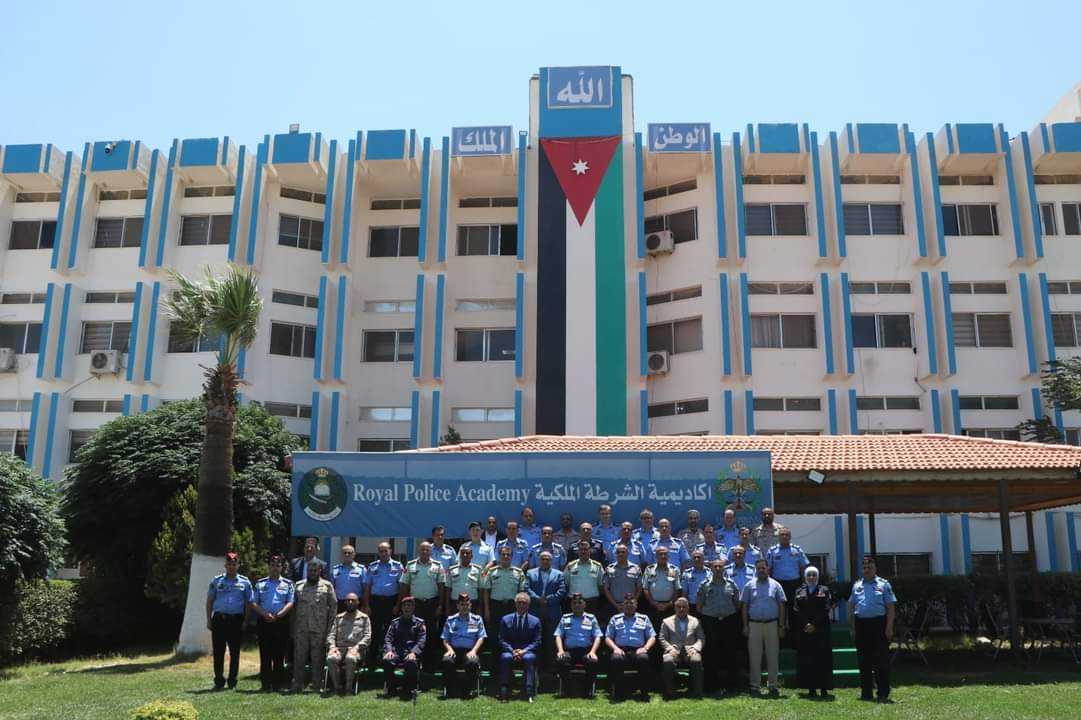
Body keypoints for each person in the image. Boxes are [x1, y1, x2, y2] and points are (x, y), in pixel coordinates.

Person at [849, 555, 896, 703]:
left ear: (875, 568)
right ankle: (866, 693)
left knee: (881, 660)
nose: (867, 570)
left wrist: (889, 627)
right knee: (864, 661)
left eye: (870, 567)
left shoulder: (884, 585)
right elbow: (852, 606)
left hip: (879, 625)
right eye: (864, 568)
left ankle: (883, 692)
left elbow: (890, 607)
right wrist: (853, 628)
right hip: (861, 625)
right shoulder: (856, 586)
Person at [205, 552, 253, 690]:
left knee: (235, 652)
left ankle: (232, 681)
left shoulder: (245, 582)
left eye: (234, 564)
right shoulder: (217, 581)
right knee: (218, 652)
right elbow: (209, 601)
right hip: (219, 619)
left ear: (238, 565)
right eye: (229, 564)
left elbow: (249, 603)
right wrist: (209, 620)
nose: (232, 566)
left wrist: (246, 621)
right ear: (225, 565)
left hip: (236, 620)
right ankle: (219, 680)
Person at [741, 558, 786, 697]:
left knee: (773, 656)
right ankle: (755, 686)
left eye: (763, 568)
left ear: (768, 569)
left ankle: (773, 686)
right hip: (754, 625)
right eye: (759, 568)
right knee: (754, 657)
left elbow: (782, 605)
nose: (761, 570)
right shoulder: (749, 585)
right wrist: (745, 625)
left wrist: (781, 626)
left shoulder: (776, 585)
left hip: (772, 624)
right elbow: (744, 606)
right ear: (756, 570)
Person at [291, 559, 336, 693]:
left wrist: (330, 627)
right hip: (301, 628)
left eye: (315, 570)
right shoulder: (298, 585)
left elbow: (333, 607)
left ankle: (316, 685)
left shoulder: (327, 586)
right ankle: (297, 684)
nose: (312, 572)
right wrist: (292, 627)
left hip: (319, 629)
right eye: (310, 570)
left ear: (320, 571)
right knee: (299, 658)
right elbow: (293, 608)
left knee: (318, 659)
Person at [251, 554, 294, 691]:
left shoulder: (288, 584)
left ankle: (277, 684)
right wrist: (265, 614)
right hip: (264, 622)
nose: (275, 568)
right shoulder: (260, 583)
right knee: (265, 654)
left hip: (281, 622)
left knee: (279, 655)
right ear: (268, 567)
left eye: (278, 565)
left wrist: (279, 615)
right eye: (273, 565)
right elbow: (254, 602)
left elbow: (290, 602)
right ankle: (265, 684)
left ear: (281, 567)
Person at [697, 558, 740, 694]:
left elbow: (737, 604)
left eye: (720, 566)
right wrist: (710, 615)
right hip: (710, 622)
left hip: (728, 621)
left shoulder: (731, 584)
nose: (717, 569)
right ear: (711, 569)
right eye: (715, 566)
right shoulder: (704, 585)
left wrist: (727, 614)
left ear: (724, 569)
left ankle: (731, 685)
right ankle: (712, 685)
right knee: (711, 653)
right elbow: (699, 605)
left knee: (730, 652)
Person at [399, 541, 444, 667]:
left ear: (431, 551)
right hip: (415, 604)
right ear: (419, 551)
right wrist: (404, 604)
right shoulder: (410, 565)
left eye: (427, 550)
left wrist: (440, 605)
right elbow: (404, 585)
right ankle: (412, 661)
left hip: (431, 604)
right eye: (422, 549)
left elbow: (441, 586)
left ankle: (429, 664)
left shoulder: (438, 565)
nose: (424, 552)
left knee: (430, 633)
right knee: (413, 633)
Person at [792, 565, 834, 699]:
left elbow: (826, 608)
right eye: (809, 575)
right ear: (805, 577)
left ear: (818, 577)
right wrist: (806, 624)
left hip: (821, 630)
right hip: (805, 631)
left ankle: (824, 688)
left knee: (822, 659)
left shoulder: (824, 590)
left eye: (814, 575)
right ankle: (811, 688)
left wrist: (814, 624)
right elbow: (796, 609)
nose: (811, 577)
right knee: (807, 659)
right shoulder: (799, 591)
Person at [605, 594, 656, 701]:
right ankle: (618, 692)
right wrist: (615, 648)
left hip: (638, 650)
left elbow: (652, 637)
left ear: (636, 605)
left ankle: (644, 693)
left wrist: (645, 648)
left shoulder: (644, 618)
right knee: (616, 659)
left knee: (644, 658)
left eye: (631, 603)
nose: (629, 605)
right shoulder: (615, 618)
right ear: (623, 605)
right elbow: (608, 637)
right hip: (620, 649)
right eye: (626, 603)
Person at [554, 593, 603, 697]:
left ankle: (586, 690)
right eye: (574, 603)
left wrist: (593, 652)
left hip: (586, 651)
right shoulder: (565, 618)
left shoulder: (591, 618)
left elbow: (598, 636)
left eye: (579, 603)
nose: (577, 605)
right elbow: (558, 635)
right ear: (571, 605)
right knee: (561, 660)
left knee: (593, 662)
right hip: (569, 651)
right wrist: (560, 650)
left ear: (584, 604)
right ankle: (569, 689)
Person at [497, 592, 542, 702]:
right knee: (505, 657)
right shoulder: (505, 619)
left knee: (529, 658)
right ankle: (504, 690)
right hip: (510, 651)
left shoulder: (535, 621)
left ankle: (529, 692)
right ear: (515, 604)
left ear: (528, 605)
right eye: (519, 603)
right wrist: (512, 651)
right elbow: (502, 639)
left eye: (524, 603)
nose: (521, 605)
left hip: (527, 651)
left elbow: (537, 641)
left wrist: (524, 651)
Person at [766, 526, 808, 640]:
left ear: (790, 537)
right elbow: (768, 569)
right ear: (778, 537)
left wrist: (804, 585)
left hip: (795, 585)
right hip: (779, 585)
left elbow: (803, 568)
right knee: (780, 612)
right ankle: (780, 640)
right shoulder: (772, 551)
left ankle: (795, 640)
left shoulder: (797, 550)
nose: (784, 536)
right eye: (782, 535)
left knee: (795, 612)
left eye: (786, 535)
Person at [365, 542, 404, 668]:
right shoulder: (372, 566)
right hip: (375, 602)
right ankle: (372, 659)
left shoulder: (398, 566)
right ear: (378, 552)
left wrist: (398, 605)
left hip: (391, 602)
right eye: (381, 551)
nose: (383, 553)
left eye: (385, 551)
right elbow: (367, 587)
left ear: (390, 551)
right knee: (374, 630)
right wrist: (367, 605)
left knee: (391, 630)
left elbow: (401, 587)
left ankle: (391, 658)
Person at [525, 550, 566, 668]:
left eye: (547, 559)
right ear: (539, 560)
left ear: (551, 561)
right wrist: (538, 599)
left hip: (552, 612)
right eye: (542, 559)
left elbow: (562, 591)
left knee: (551, 642)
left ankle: (551, 669)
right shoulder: (530, 573)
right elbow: (526, 588)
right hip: (535, 611)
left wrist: (548, 600)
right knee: (535, 640)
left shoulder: (559, 574)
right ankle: (535, 667)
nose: (545, 561)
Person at [441, 593, 486, 698]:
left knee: (472, 662)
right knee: (447, 660)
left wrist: (474, 651)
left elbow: (481, 637)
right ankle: (450, 690)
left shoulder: (477, 619)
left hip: (470, 650)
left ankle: (468, 690)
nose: (464, 607)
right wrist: (449, 650)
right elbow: (445, 639)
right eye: (462, 604)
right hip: (454, 650)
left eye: (467, 604)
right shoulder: (451, 620)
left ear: (470, 606)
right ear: (457, 606)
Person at [325, 592, 371, 695]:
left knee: (350, 658)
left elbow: (367, 637)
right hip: (339, 649)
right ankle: (337, 687)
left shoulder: (364, 618)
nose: (350, 602)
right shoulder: (338, 618)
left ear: (358, 602)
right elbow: (331, 635)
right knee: (331, 658)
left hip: (356, 649)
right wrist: (332, 647)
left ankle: (348, 689)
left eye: (353, 600)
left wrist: (357, 647)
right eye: (348, 600)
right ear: (345, 602)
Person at [659, 597, 705, 699]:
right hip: (673, 650)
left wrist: (695, 648)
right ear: (674, 608)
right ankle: (670, 693)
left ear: (688, 608)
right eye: (678, 607)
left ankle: (697, 692)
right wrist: (670, 649)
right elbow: (662, 638)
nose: (681, 609)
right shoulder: (666, 621)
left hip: (690, 650)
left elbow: (701, 638)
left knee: (696, 660)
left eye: (684, 607)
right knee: (667, 661)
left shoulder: (696, 621)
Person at [383, 596, 426, 697]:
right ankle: (391, 688)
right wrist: (389, 651)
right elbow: (388, 639)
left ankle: (409, 689)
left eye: (409, 605)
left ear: (413, 608)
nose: (407, 608)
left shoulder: (420, 623)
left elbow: (421, 641)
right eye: (404, 606)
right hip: (396, 651)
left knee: (411, 663)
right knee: (387, 661)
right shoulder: (395, 623)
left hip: (411, 652)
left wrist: (414, 653)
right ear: (401, 608)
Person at [482, 545, 526, 636]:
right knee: (495, 633)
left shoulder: (519, 572)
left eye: (508, 554)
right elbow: (486, 591)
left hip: (512, 606)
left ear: (512, 556)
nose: (506, 556)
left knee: (511, 633)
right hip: (495, 605)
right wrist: (486, 610)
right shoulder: (491, 571)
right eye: (503, 554)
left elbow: (522, 592)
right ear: (499, 556)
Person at [642, 545, 682, 630]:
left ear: (668, 556)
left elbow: (677, 589)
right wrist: (654, 603)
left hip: (669, 607)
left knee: (670, 630)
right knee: (654, 630)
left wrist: (670, 603)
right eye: (660, 554)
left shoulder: (674, 569)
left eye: (665, 554)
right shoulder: (649, 569)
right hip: (653, 606)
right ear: (656, 556)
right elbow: (645, 588)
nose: (663, 556)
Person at [603, 544, 642, 625]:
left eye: (623, 552)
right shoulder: (609, 569)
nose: (620, 554)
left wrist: (631, 603)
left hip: (631, 607)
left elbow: (639, 588)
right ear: (615, 554)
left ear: (628, 553)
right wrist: (616, 605)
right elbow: (606, 589)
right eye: (618, 552)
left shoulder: (636, 569)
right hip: (613, 606)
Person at [563, 540, 604, 615]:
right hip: (574, 602)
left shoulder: (597, 566)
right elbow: (566, 583)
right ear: (578, 551)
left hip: (592, 602)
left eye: (585, 549)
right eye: (581, 549)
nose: (583, 552)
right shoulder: (570, 566)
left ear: (590, 551)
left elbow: (601, 585)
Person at [444, 545, 483, 615]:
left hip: (473, 603)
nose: (465, 555)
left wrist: (480, 607)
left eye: (467, 553)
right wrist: (447, 607)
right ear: (460, 556)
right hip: (455, 603)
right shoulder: (452, 570)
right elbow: (448, 589)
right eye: (463, 553)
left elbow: (480, 590)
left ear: (471, 556)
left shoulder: (478, 570)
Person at [331, 544, 367, 612]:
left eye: (349, 553)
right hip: (340, 603)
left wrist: (364, 605)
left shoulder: (361, 569)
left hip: (356, 603)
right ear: (341, 555)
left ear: (354, 554)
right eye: (345, 553)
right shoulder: (335, 569)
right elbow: (332, 589)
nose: (347, 555)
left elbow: (365, 589)